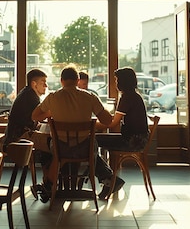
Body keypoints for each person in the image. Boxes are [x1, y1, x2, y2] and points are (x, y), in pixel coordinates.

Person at [31, 66, 123, 201]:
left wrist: (52, 111)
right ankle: (107, 177)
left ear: (61, 81)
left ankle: (49, 185)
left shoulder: (52, 97)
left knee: (53, 149)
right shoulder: (90, 97)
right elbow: (108, 120)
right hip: (84, 149)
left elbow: (35, 116)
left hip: (60, 148)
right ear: (78, 80)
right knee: (93, 143)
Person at [95, 67, 150, 199]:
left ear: (122, 82)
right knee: (93, 140)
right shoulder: (133, 96)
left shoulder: (127, 97)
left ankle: (108, 178)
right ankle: (108, 178)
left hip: (132, 141)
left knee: (90, 140)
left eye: (116, 80)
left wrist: (91, 124)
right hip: (138, 138)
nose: (115, 83)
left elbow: (113, 123)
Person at [2, 69, 48, 147]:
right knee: (52, 142)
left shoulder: (27, 93)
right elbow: (40, 116)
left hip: (12, 138)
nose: (46, 86)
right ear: (34, 84)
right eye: (43, 82)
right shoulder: (31, 96)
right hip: (19, 139)